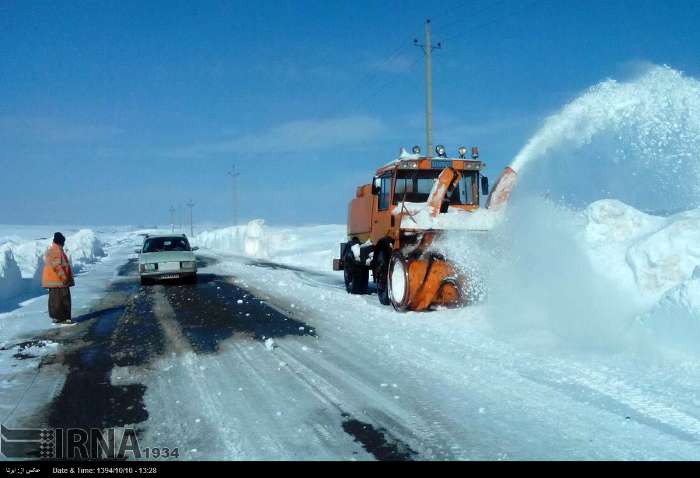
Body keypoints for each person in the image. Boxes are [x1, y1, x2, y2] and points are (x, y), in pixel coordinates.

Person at [41, 232, 75, 325]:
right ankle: (65, 319)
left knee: (55, 300)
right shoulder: (56, 251)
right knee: (64, 299)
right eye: (63, 242)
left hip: (54, 281)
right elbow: (57, 266)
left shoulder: (53, 250)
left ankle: (57, 318)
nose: (64, 244)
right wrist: (64, 277)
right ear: (60, 242)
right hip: (59, 280)